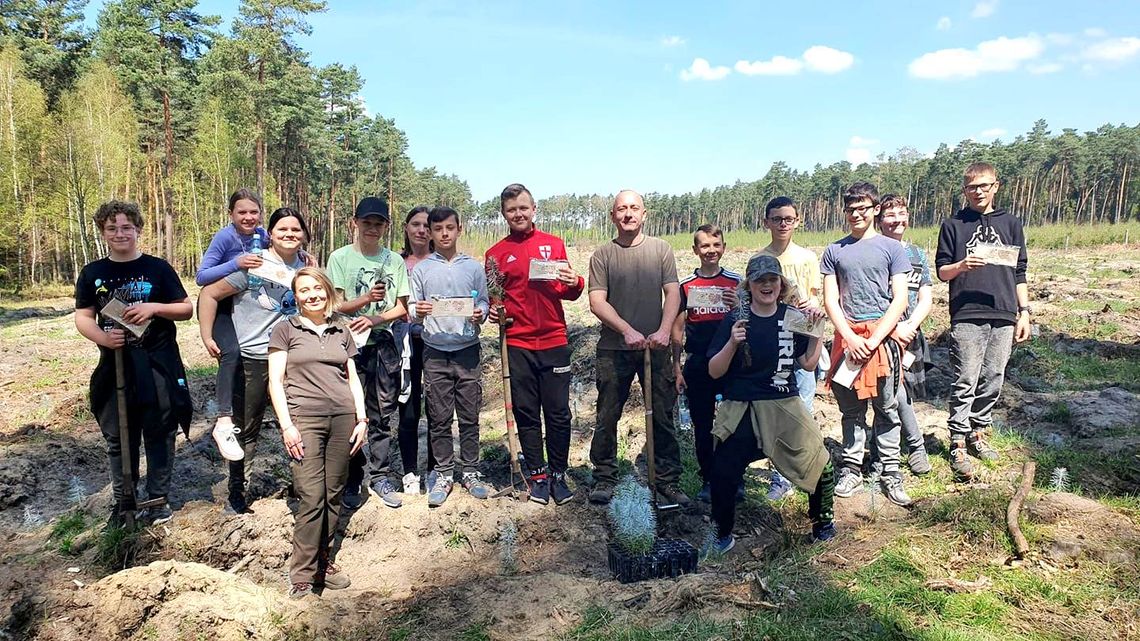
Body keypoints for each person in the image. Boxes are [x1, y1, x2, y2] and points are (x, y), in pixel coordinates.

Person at [705, 254, 835, 554]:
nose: (767, 285)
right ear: (749, 285)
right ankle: (721, 535)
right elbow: (714, 371)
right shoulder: (735, 319)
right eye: (760, 280)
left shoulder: (793, 317)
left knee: (821, 463)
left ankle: (823, 525)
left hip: (783, 401)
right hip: (742, 405)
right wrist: (732, 343)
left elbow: (807, 364)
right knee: (722, 470)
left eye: (772, 279)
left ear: (781, 283)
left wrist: (817, 332)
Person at [75, 200, 193, 527]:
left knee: (161, 431)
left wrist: (154, 308)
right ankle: (124, 501)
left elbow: (186, 309)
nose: (120, 233)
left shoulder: (158, 268)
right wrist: (103, 338)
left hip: (158, 364)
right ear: (103, 232)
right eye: (112, 228)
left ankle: (158, 500)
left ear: (138, 229)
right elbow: (83, 317)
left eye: (127, 227)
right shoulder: (93, 273)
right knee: (119, 436)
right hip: (115, 366)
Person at [199, 208, 310, 514]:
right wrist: (208, 335)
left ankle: (303, 487)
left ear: (304, 235)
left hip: (293, 360)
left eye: (296, 229)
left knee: (301, 424)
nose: (289, 234)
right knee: (246, 428)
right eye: (282, 229)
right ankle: (237, 493)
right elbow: (209, 294)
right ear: (270, 233)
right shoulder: (254, 264)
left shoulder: (306, 269)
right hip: (252, 357)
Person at [267, 267, 368, 599]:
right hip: (304, 420)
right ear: (296, 296)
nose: (312, 295)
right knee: (311, 495)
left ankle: (325, 562)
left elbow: (352, 379)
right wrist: (287, 426)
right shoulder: (285, 330)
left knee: (333, 492)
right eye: (304, 290)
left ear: (327, 291)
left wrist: (362, 419)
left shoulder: (341, 330)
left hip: (343, 419)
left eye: (317, 288)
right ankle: (302, 573)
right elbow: (275, 382)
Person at [484, 183, 584, 505]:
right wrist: (495, 312)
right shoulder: (495, 254)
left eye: (523, 208)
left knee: (558, 413)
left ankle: (558, 474)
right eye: (511, 210)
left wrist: (576, 282)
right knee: (526, 412)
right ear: (504, 214)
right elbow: (495, 301)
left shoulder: (553, 244)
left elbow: (568, 291)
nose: (518, 214)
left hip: (554, 340)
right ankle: (538, 476)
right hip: (518, 344)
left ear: (534, 209)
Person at [587, 190, 687, 508]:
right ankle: (604, 477)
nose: (628, 214)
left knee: (662, 416)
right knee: (607, 415)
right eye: (621, 209)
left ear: (644, 214)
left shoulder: (661, 250)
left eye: (634, 208)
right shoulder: (602, 255)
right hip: (613, 349)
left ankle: (666, 480)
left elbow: (673, 293)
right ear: (613, 216)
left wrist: (663, 331)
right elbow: (597, 301)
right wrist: (626, 330)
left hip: (655, 348)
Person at [935, 162, 1031, 481]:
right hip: (967, 313)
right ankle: (957, 441)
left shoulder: (1011, 223)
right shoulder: (953, 225)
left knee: (993, 377)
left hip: (1004, 312)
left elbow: (1019, 272)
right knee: (965, 378)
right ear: (964, 190)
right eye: (972, 187)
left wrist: (1024, 312)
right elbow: (942, 271)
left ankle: (978, 432)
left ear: (995, 186)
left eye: (984, 185)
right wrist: (962, 265)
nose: (978, 192)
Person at [820, 182, 913, 507]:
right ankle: (851, 469)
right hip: (847, 341)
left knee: (887, 408)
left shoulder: (892, 249)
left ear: (875, 210)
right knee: (851, 411)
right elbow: (830, 299)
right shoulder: (834, 251)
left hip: (882, 342)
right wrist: (849, 337)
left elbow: (900, 299)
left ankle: (890, 471)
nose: (856, 214)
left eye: (863, 208)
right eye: (851, 209)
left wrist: (873, 340)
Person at [327, 197, 411, 509]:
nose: (372, 229)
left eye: (378, 224)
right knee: (350, 412)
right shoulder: (340, 258)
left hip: (383, 346)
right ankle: (351, 478)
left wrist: (376, 318)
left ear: (386, 226)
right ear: (355, 223)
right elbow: (334, 305)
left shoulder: (394, 261)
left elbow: (402, 307)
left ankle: (381, 476)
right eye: (367, 223)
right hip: (347, 346)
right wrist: (364, 301)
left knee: (381, 413)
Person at [409, 206, 490, 507]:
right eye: (438, 228)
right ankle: (443, 474)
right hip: (434, 352)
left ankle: (470, 471)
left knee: (469, 416)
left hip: (467, 351)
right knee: (439, 417)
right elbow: (412, 308)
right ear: (430, 232)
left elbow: (483, 301)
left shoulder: (473, 268)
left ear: (459, 229)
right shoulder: (422, 269)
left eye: (450, 228)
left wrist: (480, 312)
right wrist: (418, 311)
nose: (444, 234)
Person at [757, 196, 826, 501]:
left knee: (803, 408)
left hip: (802, 338)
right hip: (774, 343)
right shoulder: (760, 258)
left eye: (788, 219)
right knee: (776, 409)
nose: (783, 224)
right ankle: (780, 477)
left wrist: (812, 305)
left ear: (797, 221)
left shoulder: (808, 258)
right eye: (776, 219)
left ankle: (805, 471)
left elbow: (815, 298)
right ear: (766, 222)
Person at [196, 189, 269, 462]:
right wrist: (235, 263)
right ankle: (223, 420)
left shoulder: (263, 236)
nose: (248, 217)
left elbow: (281, 249)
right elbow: (201, 276)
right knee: (232, 353)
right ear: (231, 214)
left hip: (245, 303)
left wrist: (304, 254)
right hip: (219, 305)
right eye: (242, 212)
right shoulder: (225, 237)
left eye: (253, 212)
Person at [671, 224, 739, 502]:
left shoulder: (736, 282)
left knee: (733, 423)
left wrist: (738, 304)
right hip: (698, 364)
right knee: (702, 424)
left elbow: (749, 319)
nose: (711, 250)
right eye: (705, 245)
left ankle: (734, 478)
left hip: (731, 363)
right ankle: (709, 479)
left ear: (724, 247)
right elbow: (677, 328)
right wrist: (676, 367)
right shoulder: (686, 285)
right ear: (695, 250)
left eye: (716, 245)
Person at [873, 195, 933, 476]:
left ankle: (881, 450)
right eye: (890, 214)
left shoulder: (917, 254)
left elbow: (925, 297)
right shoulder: (873, 251)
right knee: (889, 391)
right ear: (878, 219)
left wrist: (911, 326)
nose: (897, 220)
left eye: (902, 213)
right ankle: (915, 446)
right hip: (883, 333)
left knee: (902, 391)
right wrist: (893, 328)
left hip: (910, 333)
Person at [394, 206, 435, 496]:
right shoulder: (395, 262)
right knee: (407, 409)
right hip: (403, 344)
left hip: (436, 342)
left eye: (426, 226)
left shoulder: (442, 262)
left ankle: (435, 469)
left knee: (437, 410)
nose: (421, 230)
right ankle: (409, 471)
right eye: (416, 224)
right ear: (406, 228)